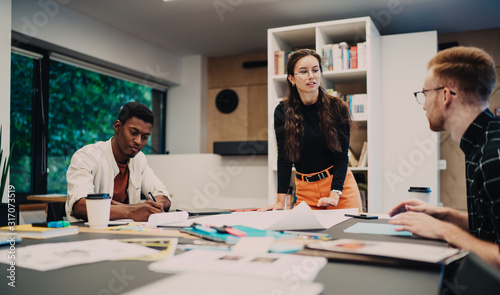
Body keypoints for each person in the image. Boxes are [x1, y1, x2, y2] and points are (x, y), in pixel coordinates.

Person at [389, 46, 500, 269]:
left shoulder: (493, 157)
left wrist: (445, 231)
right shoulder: (480, 142)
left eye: (424, 94)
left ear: (445, 95)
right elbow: (490, 227)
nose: (424, 106)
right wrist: (446, 215)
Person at [259, 49, 362, 212]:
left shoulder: (337, 107)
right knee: (303, 236)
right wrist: (280, 202)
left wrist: (335, 194)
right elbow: (285, 158)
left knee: (346, 237)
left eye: (315, 70)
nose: (311, 75)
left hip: (338, 188)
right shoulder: (282, 111)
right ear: (291, 78)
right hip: (305, 190)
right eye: (303, 71)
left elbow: (341, 156)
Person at [65, 102, 171, 222]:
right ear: (117, 127)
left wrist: (132, 208)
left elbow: (164, 198)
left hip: (124, 234)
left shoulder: (139, 159)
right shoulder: (86, 156)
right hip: (87, 235)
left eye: (145, 137)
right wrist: (132, 211)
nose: (138, 141)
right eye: (133, 132)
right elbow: (80, 206)